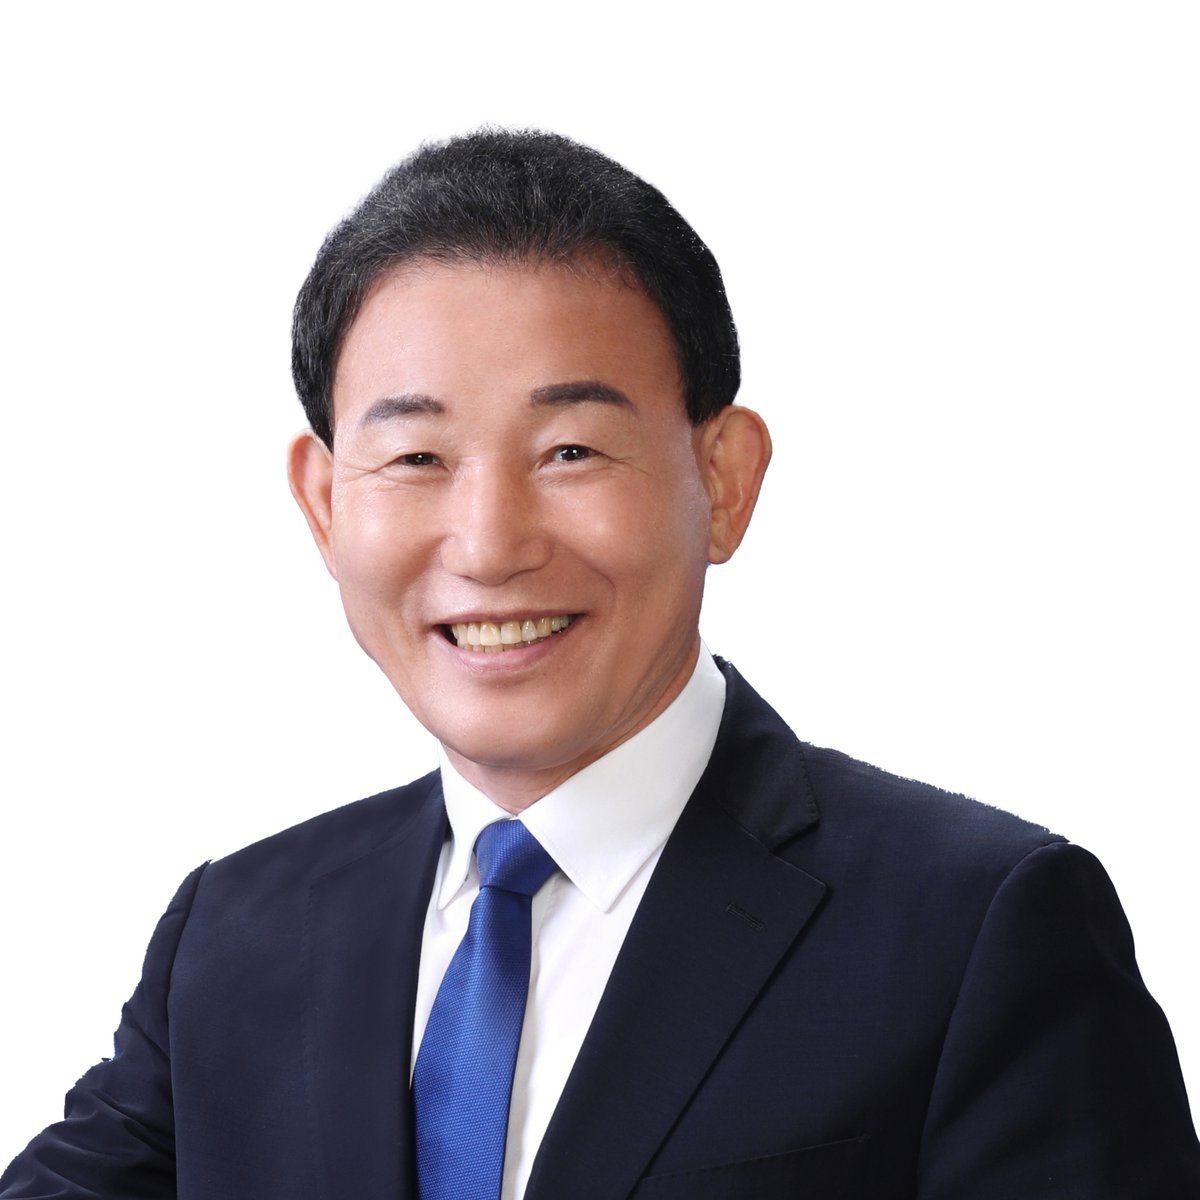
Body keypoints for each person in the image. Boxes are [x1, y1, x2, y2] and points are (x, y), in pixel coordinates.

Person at [3, 129, 1197, 1200]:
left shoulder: (982, 930)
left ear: (723, 480)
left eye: (570, 450)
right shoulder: (234, 937)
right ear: (324, 505)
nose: (489, 545)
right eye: (416, 459)